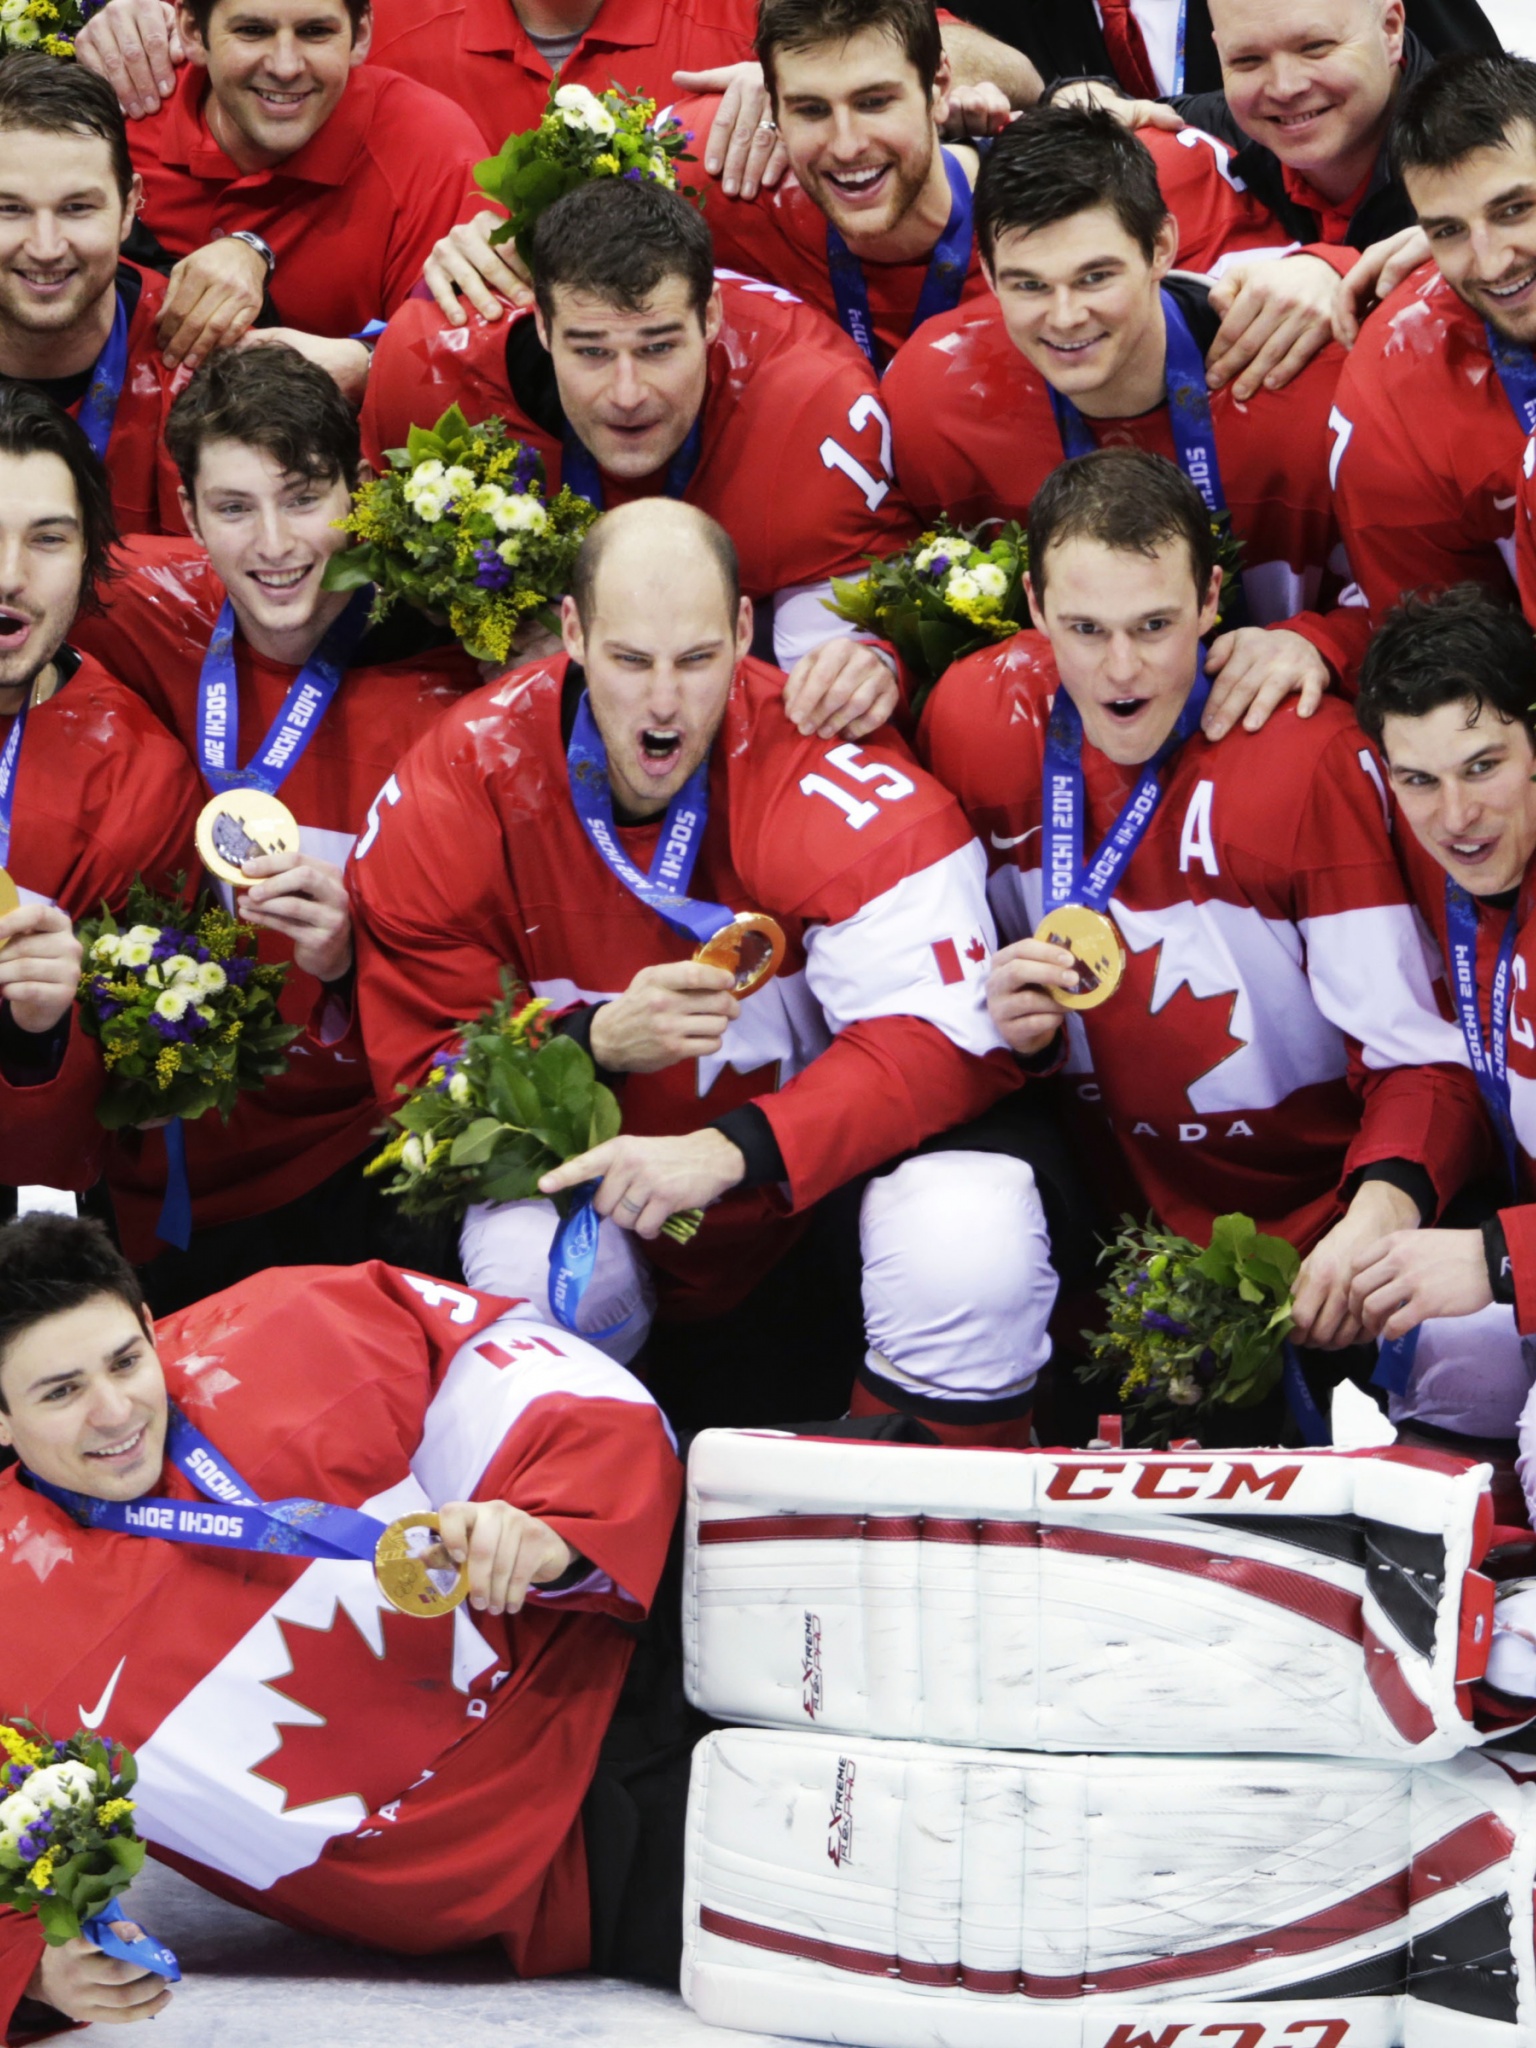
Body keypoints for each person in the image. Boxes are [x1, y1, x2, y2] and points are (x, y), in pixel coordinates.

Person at [347, 496, 1074, 1448]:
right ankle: (579, 1550)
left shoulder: (818, 759)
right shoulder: (457, 783)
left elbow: (947, 1039)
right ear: (571, 631)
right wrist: (594, 1042)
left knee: (966, 1232)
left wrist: (728, 1151)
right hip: (604, 1202)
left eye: (695, 661)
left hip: (815, 1208)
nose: (662, 704)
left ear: (743, 631)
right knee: (531, 1266)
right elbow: (422, 1091)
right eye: (629, 660)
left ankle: (937, 1546)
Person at [0, 1213, 683, 2034]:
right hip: (561, 1861)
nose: (115, 1413)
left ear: (151, 1323)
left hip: (624, 1638)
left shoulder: (298, 1324)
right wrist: (36, 1970)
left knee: (861, 1492)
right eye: (61, 1392)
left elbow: (529, 1376)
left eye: (125, 1360)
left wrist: (553, 1525)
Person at [920, 448, 1486, 1385]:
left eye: (1155, 623)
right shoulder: (971, 722)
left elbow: (1421, 1060)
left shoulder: (1305, 762)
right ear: (1031, 605)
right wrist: (1010, 1041)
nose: (1123, 668)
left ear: (1213, 598)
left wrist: (1378, 1218)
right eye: (1084, 628)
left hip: (1324, 1242)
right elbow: (910, 1008)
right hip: (1107, 1255)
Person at [67, 343, 478, 1313]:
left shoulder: (458, 679)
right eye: (234, 507)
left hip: (362, 1165)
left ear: (357, 490)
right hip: (170, 1167)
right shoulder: (141, 605)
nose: (274, 542)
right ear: (185, 508)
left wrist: (350, 961)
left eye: (303, 497)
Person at [426, 0, 1350, 402]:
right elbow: (537, 261)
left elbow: (1332, 251)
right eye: (812, 111)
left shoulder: (1139, 171)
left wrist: (1328, 268)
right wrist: (476, 250)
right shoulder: (712, 172)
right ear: (769, 108)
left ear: (939, 89)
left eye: (875, 102)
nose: (849, 143)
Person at [366, 178, 913, 738]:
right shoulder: (428, 369)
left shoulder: (812, 413)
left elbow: (820, 702)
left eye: (657, 347)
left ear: (710, 317)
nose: (627, 394)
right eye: (592, 351)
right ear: (544, 327)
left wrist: (867, 665)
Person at [884, 106, 1370, 733]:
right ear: (984, 267)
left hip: (1269, 728)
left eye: (1095, 277)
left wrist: (1322, 644)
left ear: (1161, 246)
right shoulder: (933, 391)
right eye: (1028, 286)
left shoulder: (1303, 379)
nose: (1063, 318)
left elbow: (1430, 585)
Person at [1344, 587, 1536, 1450]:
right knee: (1441, 1354)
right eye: (1419, 780)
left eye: (1482, 765)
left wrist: (1501, 1258)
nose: (1455, 819)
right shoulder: (1472, 880)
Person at [0, 386, 201, 1208]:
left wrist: (37, 1040)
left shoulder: (142, 786)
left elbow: (84, 1142)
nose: (7, 577)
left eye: (47, 540)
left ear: (91, 560)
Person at [103, 0, 490, 345]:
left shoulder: (433, 150)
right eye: (252, 31)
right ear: (191, 31)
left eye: (315, 32)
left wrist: (369, 370)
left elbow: (467, 358)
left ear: (361, 35)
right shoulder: (120, 114)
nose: (285, 66)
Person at [1331, 53, 1536, 628]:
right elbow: (1449, 663)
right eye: (1448, 231)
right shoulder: (1396, 391)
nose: (1492, 262)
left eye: (1514, 209)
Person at [0, 56, 188, 536]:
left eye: (77, 207)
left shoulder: (201, 352)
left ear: (129, 208)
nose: (45, 247)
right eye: (10, 209)